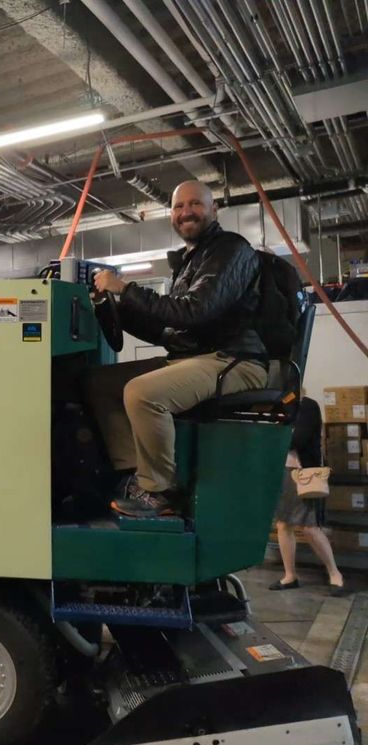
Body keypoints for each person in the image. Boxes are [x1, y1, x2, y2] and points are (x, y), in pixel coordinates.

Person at [85, 180, 268, 518]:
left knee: (142, 393)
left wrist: (125, 290)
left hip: (235, 361)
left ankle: (160, 492)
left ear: (214, 210)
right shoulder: (190, 261)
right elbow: (168, 331)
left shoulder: (231, 249)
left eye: (195, 204)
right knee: (99, 383)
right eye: (179, 206)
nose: (186, 212)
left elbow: (195, 310)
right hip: (194, 357)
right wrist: (117, 308)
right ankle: (134, 475)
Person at [270, 396, 346, 595]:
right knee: (283, 525)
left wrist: (273, 435)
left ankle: (335, 574)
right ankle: (290, 576)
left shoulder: (307, 406)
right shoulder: (278, 406)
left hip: (304, 475)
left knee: (309, 527)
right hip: (284, 472)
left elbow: (298, 439)